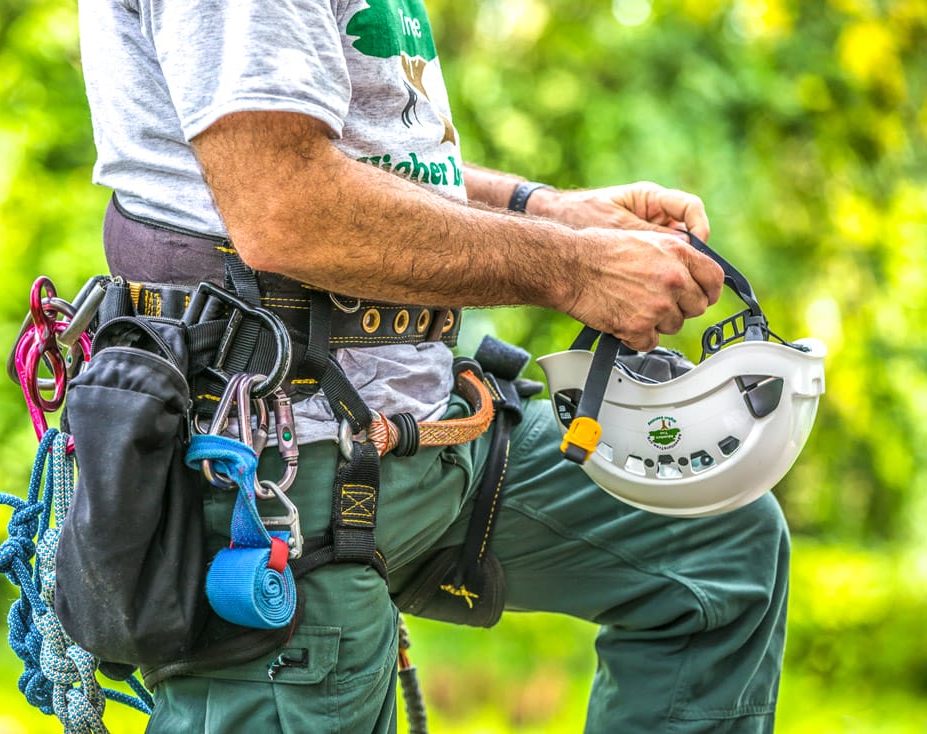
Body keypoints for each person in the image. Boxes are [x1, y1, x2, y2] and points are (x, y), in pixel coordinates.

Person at [76, 1, 790, 731]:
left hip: (428, 432)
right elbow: (284, 204)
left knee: (717, 546)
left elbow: (366, 156)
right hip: (280, 467)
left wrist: (545, 210)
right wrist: (575, 270)